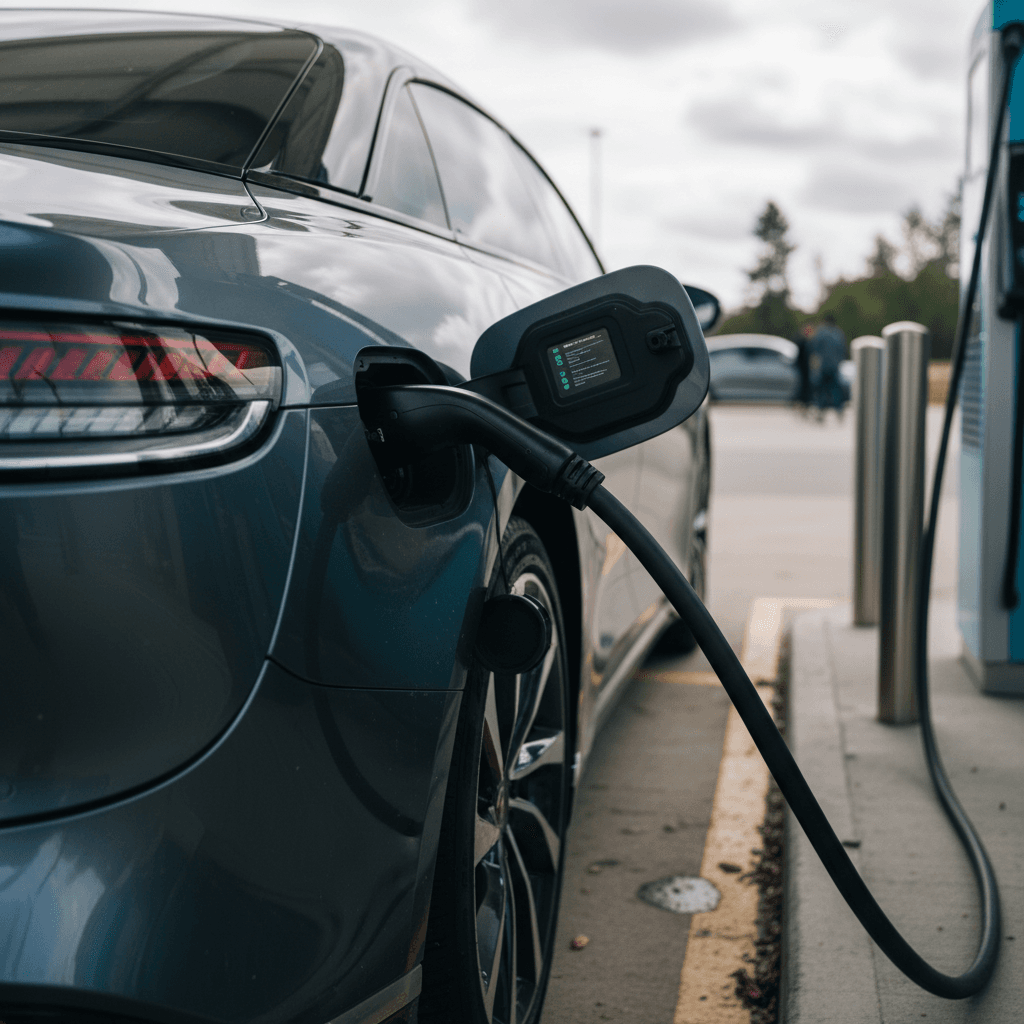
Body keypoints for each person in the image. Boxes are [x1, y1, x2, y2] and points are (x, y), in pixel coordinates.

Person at [810, 313, 847, 419]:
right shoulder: (838, 333)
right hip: (835, 366)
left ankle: (820, 412)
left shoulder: (821, 333)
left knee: (822, 390)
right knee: (835, 389)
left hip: (824, 366)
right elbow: (843, 350)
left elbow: (814, 348)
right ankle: (839, 410)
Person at [792, 323, 814, 411]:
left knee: (804, 386)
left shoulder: (805, 341)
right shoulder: (803, 341)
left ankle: (803, 402)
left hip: (804, 368)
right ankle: (802, 402)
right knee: (803, 386)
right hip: (803, 368)